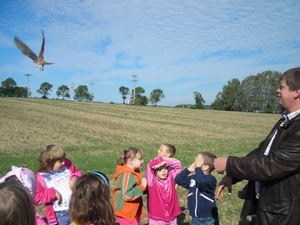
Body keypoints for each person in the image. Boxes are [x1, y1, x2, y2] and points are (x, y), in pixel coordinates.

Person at [214, 67, 300, 225]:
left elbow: (271, 165)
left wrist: (229, 163)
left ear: (297, 92)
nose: (277, 90)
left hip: (282, 217)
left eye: (281, 87)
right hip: (268, 210)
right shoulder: (286, 120)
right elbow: (261, 152)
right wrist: (232, 175)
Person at [34, 144, 82, 225]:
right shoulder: (40, 177)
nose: (63, 162)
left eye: (63, 159)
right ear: (49, 163)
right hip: (60, 214)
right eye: (60, 161)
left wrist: (75, 178)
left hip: (76, 208)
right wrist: (53, 193)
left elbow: (77, 172)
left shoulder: (67, 164)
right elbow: (37, 198)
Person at [175, 152, 219, 225]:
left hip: (208, 217)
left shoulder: (211, 179)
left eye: (198, 161)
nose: (195, 163)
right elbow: (178, 179)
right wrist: (188, 170)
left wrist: (198, 168)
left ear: (206, 166)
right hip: (195, 216)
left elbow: (201, 181)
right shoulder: (193, 178)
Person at [146, 143, 182, 225]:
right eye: (160, 169)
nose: (163, 171)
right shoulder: (152, 181)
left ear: (168, 154)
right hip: (157, 218)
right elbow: (149, 166)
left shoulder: (171, 176)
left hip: (172, 216)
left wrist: (164, 162)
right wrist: (159, 161)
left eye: (165, 169)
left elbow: (178, 164)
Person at [112, 147, 147, 225]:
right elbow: (127, 195)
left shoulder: (134, 172)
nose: (143, 161)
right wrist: (142, 187)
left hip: (132, 211)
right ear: (131, 161)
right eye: (140, 159)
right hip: (126, 213)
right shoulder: (127, 175)